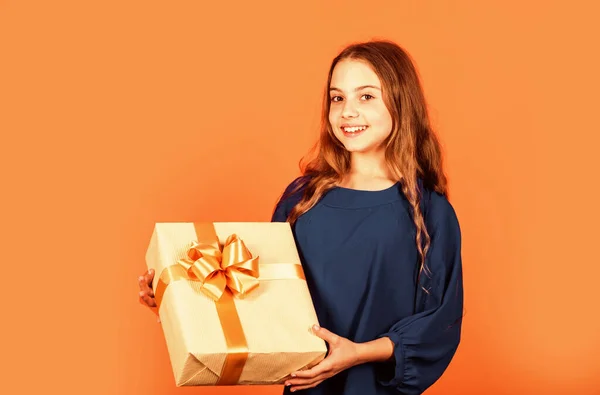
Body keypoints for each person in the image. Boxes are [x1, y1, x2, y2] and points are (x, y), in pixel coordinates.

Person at [138, 40, 464, 395]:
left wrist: (357, 353)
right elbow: (262, 290)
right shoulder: (303, 198)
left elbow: (439, 325)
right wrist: (179, 299)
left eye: (366, 97)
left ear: (402, 102)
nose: (347, 112)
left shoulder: (430, 212)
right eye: (337, 98)